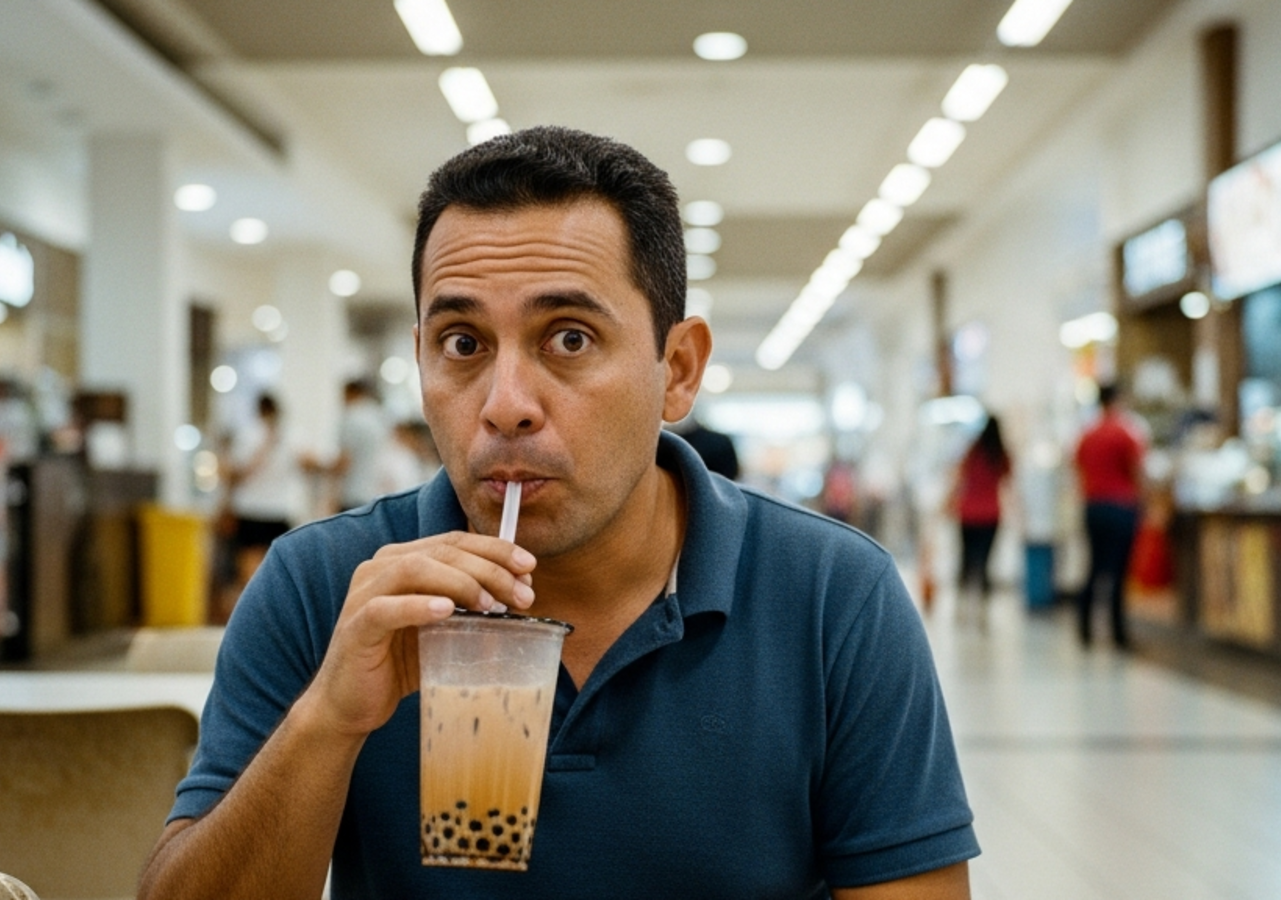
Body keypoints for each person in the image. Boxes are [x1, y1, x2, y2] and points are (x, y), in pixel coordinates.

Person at [139, 126, 977, 900]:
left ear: (677, 370)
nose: (505, 405)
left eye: (568, 338)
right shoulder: (326, 585)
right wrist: (328, 719)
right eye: (462, 344)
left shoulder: (832, 595)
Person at [222, 393, 322, 590]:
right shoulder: (294, 434)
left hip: (251, 507)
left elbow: (232, 474)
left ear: (258, 410)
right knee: (278, 565)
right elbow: (310, 463)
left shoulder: (248, 433)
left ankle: (249, 607)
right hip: (280, 508)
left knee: (249, 562)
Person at [1073, 383, 1145, 649]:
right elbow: (1137, 471)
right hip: (1121, 507)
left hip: (1093, 506)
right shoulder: (1127, 433)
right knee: (1118, 571)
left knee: (1094, 566)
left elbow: (1078, 469)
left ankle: (1085, 628)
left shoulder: (1087, 435)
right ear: (1117, 400)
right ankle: (1118, 632)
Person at [949, 415, 1012, 628]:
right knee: (985, 563)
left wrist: (948, 502)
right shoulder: (1001, 454)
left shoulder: (973, 450)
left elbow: (958, 478)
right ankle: (982, 613)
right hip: (991, 514)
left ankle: (960, 609)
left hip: (967, 513)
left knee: (966, 560)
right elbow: (1008, 482)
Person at [333, 379, 391, 510]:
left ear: (352, 393)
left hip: (353, 494)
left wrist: (331, 497)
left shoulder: (352, 417)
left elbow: (344, 463)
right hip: (376, 493)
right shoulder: (380, 418)